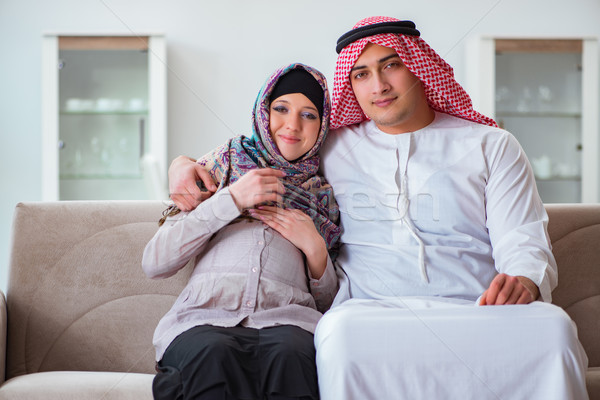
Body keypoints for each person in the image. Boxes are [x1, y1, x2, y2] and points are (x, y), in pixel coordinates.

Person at [166, 17, 589, 400]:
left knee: (554, 331)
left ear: (419, 68)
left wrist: (525, 280)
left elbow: (522, 237)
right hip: (372, 316)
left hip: (478, 310)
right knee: (340, 334)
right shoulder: (329, 147)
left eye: (391, 66)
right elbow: (254, 150)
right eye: (361, 74)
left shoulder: (490, 145)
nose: (378, 86)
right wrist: (182, 165)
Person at [142, 63, 340, 400]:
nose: (292, 125)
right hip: (203, 318)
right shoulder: (218, 168)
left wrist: (316, 249)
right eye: (281, 109)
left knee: (290, 356)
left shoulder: (322, 197)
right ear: (264, 111)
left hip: (289, 324)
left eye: (308, 115)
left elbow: (329, 305)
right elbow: (155, 262)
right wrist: (232, 199)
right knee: (212, 353)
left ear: (322, 127)